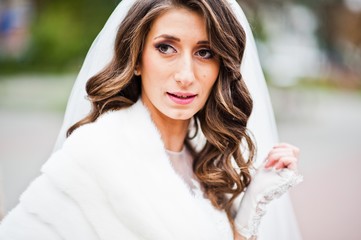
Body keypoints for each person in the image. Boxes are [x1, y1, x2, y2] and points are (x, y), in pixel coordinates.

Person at [0, 0, 303, 239]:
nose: (186, 75)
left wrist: (247, 217)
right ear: (137, 60)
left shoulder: (209, 163)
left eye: (205, 52)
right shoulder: (94, 157)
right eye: (165, 48)